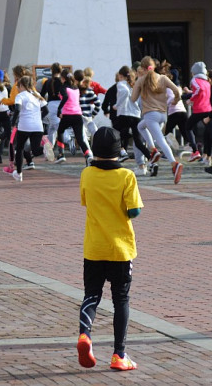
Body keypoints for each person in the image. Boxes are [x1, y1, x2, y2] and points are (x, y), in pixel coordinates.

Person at [76, 126, 143, 372]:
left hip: (94, 246)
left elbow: (86, 201)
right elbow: (134, 211)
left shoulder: (87, 174)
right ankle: (119, 355)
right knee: (121, 299)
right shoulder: (126, 176)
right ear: (118, 150)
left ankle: (85, 334)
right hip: (121, 248)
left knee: (91, 295)